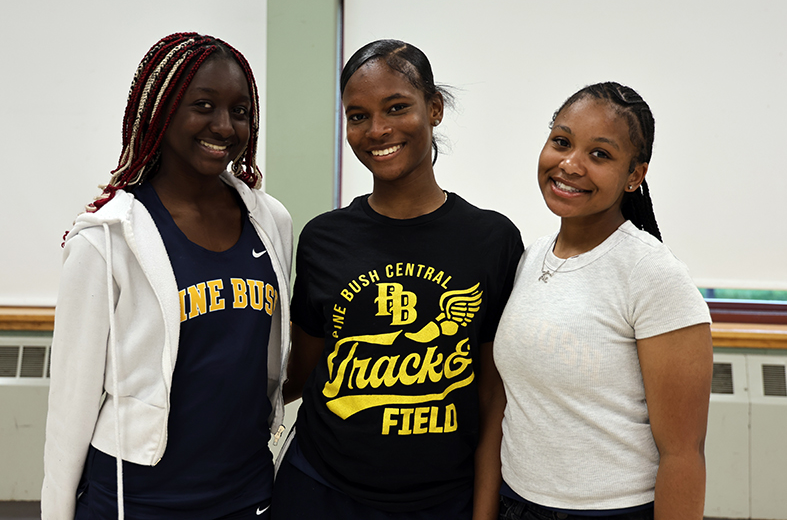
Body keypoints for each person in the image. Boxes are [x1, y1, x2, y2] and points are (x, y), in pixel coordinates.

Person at [41, 32, 292, 520]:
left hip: (245, 490)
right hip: (138, 498)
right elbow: (70, 403)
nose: (224, 126)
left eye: (240, 111)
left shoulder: (271, 220)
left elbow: (263, 366)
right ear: (161, 113)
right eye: (203, 105)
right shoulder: (106, 238)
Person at [271, 39, 524, 520]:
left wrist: (484, 510)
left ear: (434, 109)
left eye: (396, 107)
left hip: (444, 499)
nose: (377, 129)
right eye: (358, 115)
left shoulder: (491, 240)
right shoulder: (324, 238)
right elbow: (301, 372)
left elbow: (494, 396)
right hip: (319, 492)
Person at [494, 82, 713, 519]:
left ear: (635, 175)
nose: (570, 164)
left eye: (600, 154)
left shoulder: (652, 274)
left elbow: (683, 455)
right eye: (562, 142)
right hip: (517, 502)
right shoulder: (532, 255)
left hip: (611, 511)